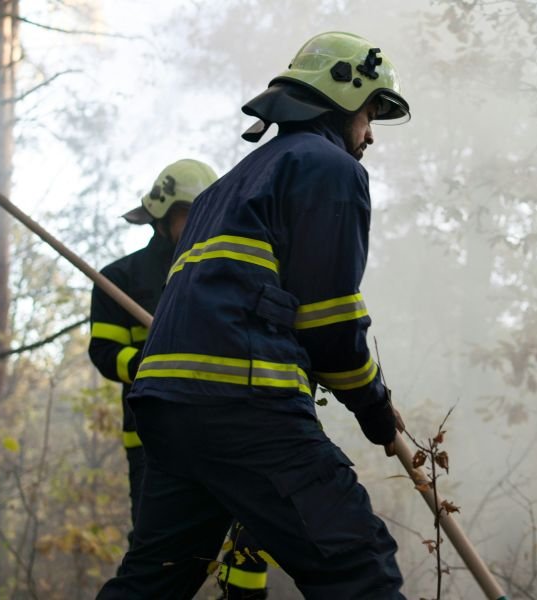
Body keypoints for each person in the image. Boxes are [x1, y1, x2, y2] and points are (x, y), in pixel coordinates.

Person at [97, 31, 411, 599]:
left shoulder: (226, 186)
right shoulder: (327, 169)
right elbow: (329, 322)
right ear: (346, 95)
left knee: (153, 582)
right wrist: (375, 407)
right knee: (358, 566)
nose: (369, 136)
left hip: (169, 414)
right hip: (244, 407)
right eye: (370, 115)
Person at [88, 159, 271, 598]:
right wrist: (162, 358)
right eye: (188, 212)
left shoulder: (228, 274)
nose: (197, 223)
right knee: (161, 558)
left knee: (252, 544)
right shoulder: (121, 279)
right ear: (163, 216)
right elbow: (105, 354)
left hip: (229, 433)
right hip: (155, 444)